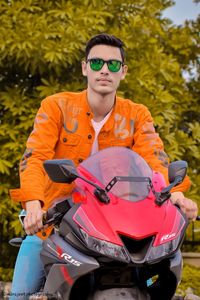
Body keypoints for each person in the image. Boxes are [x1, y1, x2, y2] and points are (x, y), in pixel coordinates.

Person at [9, 33, 198, 299]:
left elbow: (155, 159)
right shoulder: (56, 107)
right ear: (85, 67)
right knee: (21, 293)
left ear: (124, 71)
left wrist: (176, 195)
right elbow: (35, 156)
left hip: (113, 229)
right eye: (97, 63)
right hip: (56, 225)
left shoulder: (137, 114)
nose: (104, 70)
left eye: (112, 64)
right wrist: (32, 206)